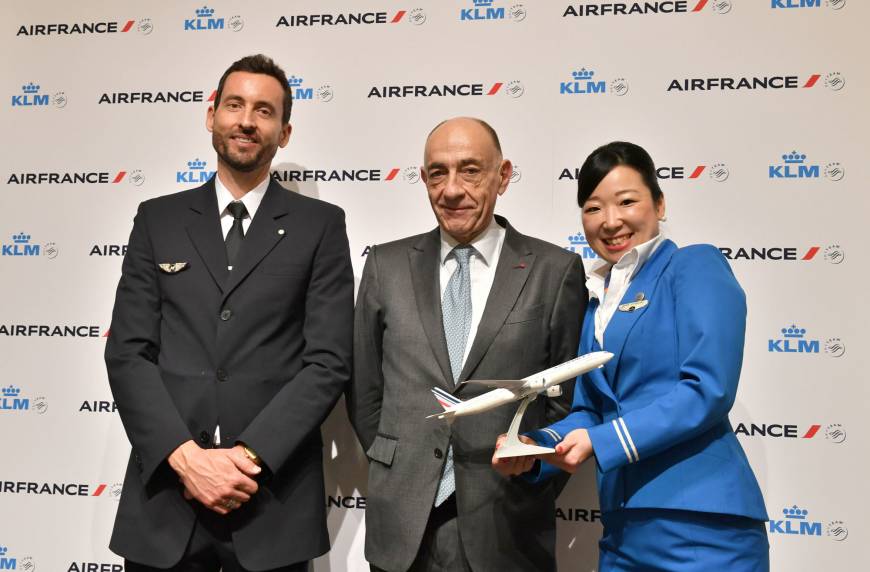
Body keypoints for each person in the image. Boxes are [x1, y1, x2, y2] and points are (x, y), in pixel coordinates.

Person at [104, 54, 353, 571]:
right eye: (234, 104)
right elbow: (128, 352)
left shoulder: (320, 226)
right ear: (211, 115)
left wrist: (247, 457)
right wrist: (187, 459)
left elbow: (327, 362)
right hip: (165, 502)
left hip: (270, 502)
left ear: (284, 133)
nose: (246, 120)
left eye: (264, 111)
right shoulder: (158, 220)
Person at [493, 141, 769, 570]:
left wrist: (600, 442)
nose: (611, 221)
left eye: (626, 201)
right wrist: (535, 447)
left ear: (659, 204)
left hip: (701, 524)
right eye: (593, 207)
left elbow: (708, 390)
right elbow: (590, 410)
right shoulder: (595, 302)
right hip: (622, 530)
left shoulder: (694, 266)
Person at [348, 117, 586, 572]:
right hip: (402, 526)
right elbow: (364, 391)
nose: (452, 189)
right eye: (437, 173)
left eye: (470, 170)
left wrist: (530, 468)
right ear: (422, 179)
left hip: (507, 522)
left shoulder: (554, 271)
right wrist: (398, 463)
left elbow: (565, 402)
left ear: (504, 175)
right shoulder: (385, 266)